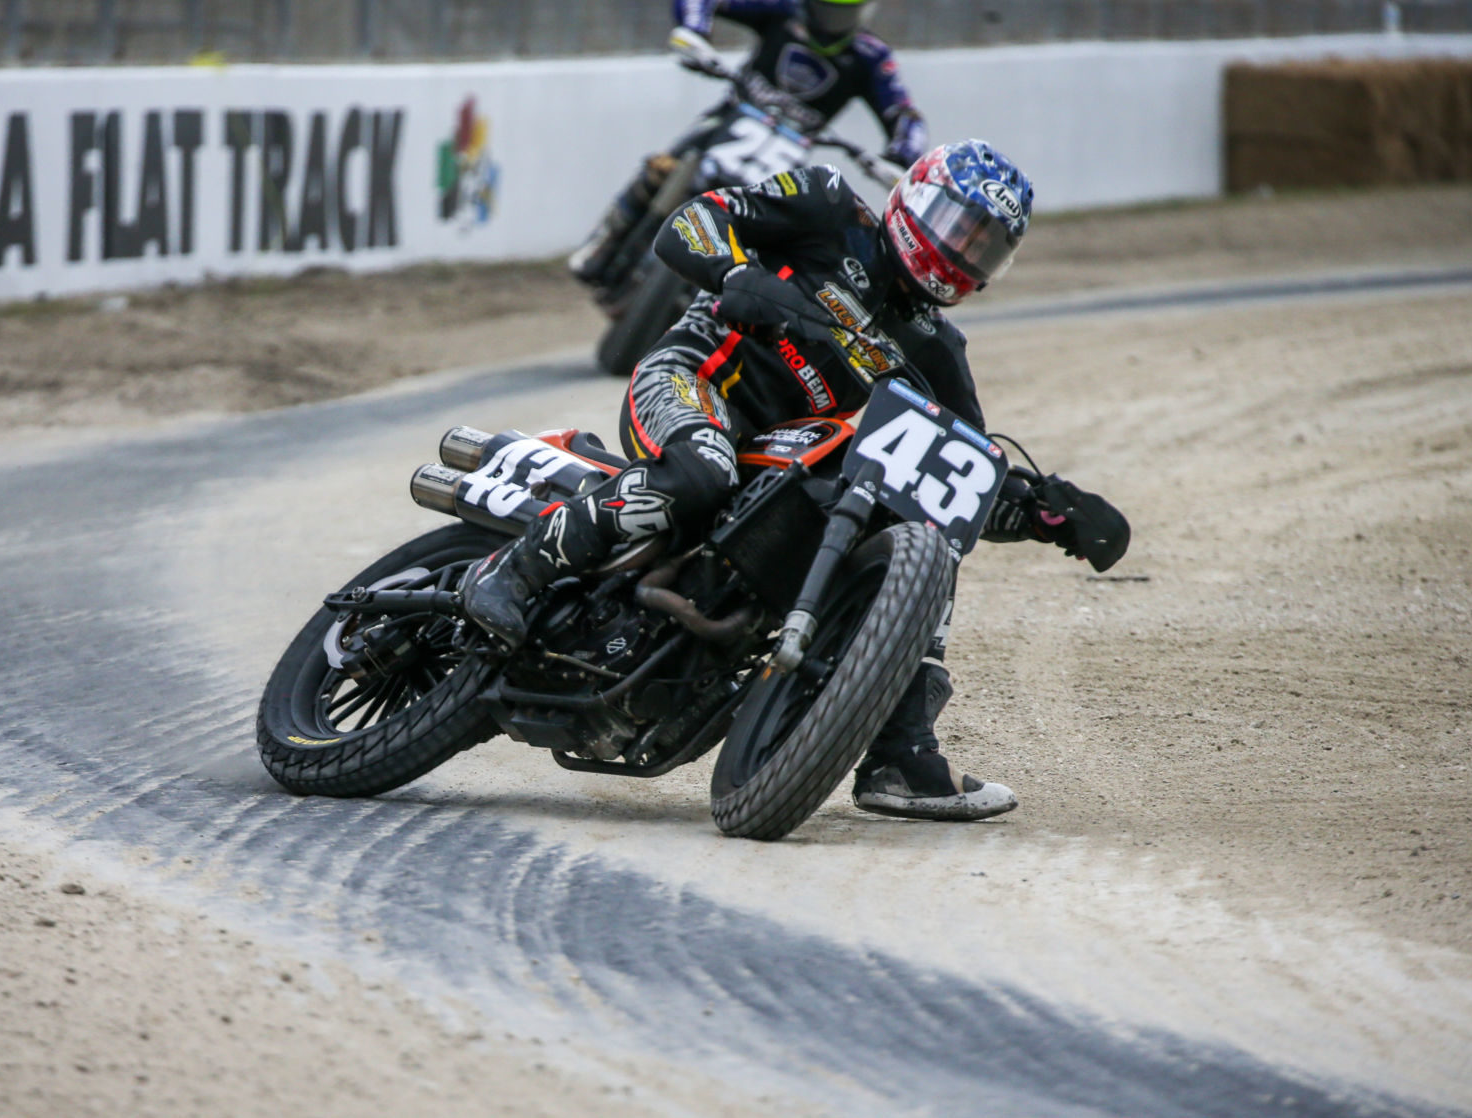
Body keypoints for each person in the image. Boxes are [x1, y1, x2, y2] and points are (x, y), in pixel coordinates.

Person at [466, 140, 1130, 821]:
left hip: (784, 462)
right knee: (703, 469)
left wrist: (1047, 510)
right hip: (692, 379)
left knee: (925, 535)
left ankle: (899, 756)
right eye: (959, 225)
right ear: (915, 196)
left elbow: (956, 479)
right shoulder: (827, 204)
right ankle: (514, 571)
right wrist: (732, 273)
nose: (962, 252)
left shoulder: (936, 351)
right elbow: (690, 221)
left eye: (984, 247)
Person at [569, 0, 927, 290]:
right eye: (825, 7)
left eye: (844, 10)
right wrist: (693, 31)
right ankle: (603, 242)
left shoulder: (872, 56)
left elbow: (904, 114)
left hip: (789, 151)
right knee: (662, 167)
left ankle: (734, 289)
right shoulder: (781, 9)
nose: (833, 19)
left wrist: (900, 156)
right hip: (734, 114)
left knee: (781, 231)